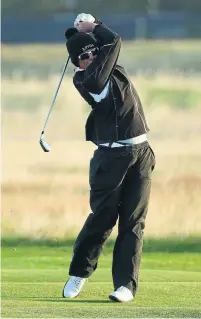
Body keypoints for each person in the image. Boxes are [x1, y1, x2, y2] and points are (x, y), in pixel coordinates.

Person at [62, 13, 156, 303]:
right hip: (111, 158)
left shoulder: (112, 66)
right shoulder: (87, 79)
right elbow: (112, 41)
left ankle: (126, 285)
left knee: (133, 222)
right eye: (84, 55)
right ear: (77, 62)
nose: (90, 57)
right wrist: (93, 27)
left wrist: (91, 29)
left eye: (92, 51)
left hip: (141, 153)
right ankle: (80, 272)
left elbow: (110, 45)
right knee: (103, 219)